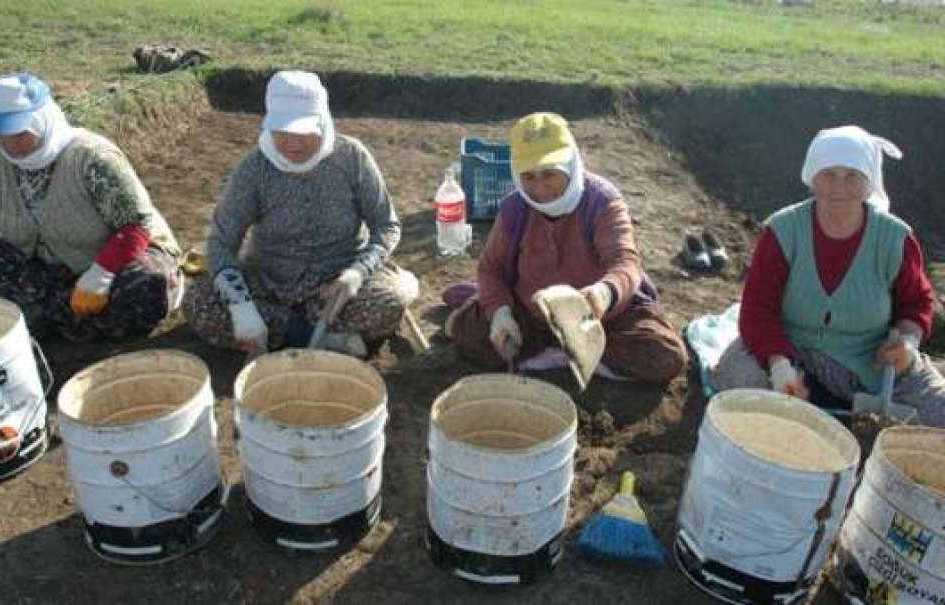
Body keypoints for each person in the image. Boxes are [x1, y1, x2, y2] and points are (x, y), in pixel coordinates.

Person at [713, 125, 944, 427]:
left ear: (868, 183)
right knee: (740, 379)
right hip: (792, 347)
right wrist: (779, 365)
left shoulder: (894, 239)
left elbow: (916, 304)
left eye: (851, 176)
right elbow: (757, 309)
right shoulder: (782, 231)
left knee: (939, 412)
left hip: (869, 361)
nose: (839, 187)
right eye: (828, 175)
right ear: (812, 179)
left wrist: (908, 344)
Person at [182, 70, 409, 357]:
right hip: (269, 284)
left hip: (335, 289)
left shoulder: (351, 158)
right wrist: (241, 308)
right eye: (283, 133)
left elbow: (387, 226)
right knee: (199, 302)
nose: (294, 143)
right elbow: (220, 242)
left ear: (323, 122)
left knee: (390, 300)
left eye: (304, 132)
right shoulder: (255, 168)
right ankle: (323, 339)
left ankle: (283, 335)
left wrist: (356, 274)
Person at [448, 112, 687, 382]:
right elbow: (491, 269)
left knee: (665, 355)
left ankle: (570, 354)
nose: (540, 188)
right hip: (533, 314)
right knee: (468, 331)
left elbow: (625, 262)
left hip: (598, 319)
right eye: (529, 176)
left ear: (570, 164)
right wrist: (501, 314)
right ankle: (564, 353)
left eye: (550, 174)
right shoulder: (515, 209)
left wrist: (603, 294)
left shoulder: (601, 201)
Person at [0, 72, 182, 341]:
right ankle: (67, 315)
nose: (10, 145)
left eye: (19, 133)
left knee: (144, 285)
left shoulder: (92, 158)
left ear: (41, 121)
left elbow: (135, 226)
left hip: (118, 259)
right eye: (0, 134)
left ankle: (52, 318)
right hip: (50, 268)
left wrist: (102, 274)